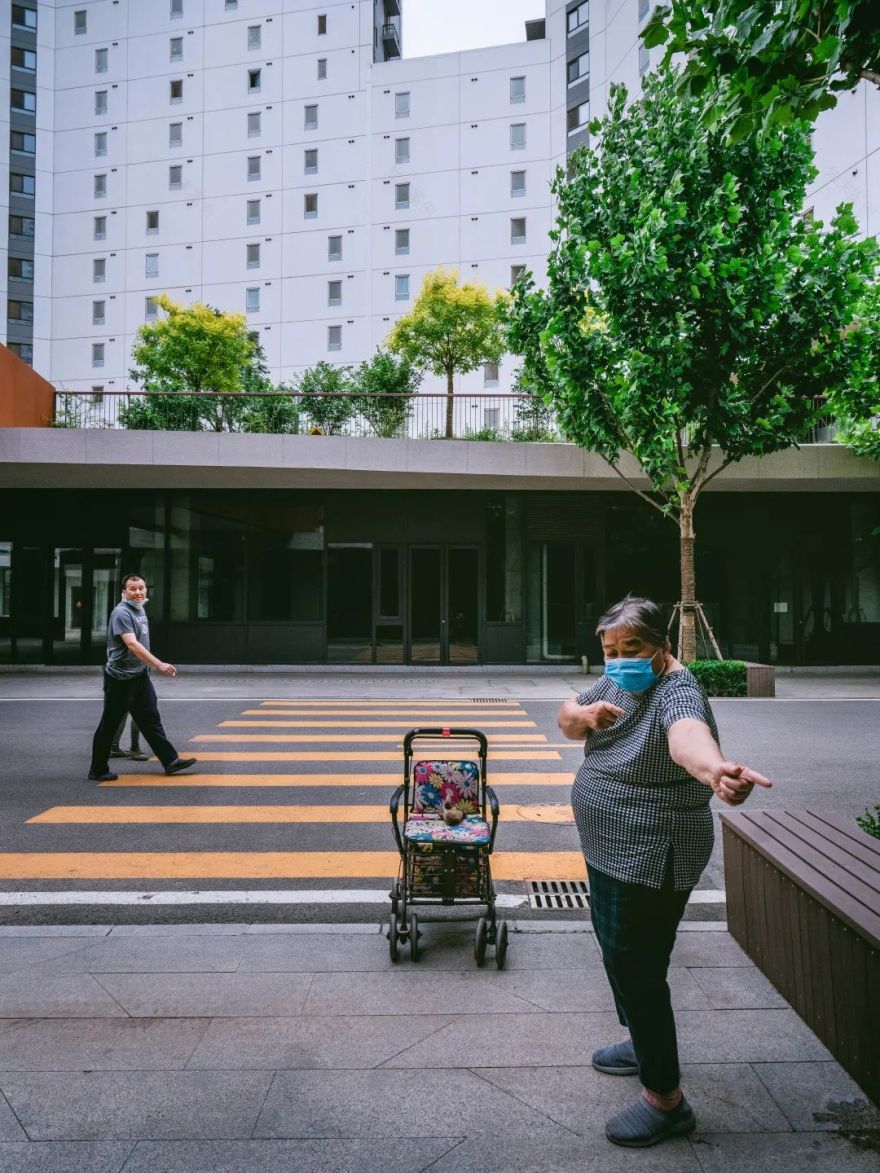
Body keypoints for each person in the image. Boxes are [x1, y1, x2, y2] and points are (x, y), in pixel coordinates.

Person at [557, 595, 772, 1149]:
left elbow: (688, 739)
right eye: (611, 650)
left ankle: (666, 1100)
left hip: (653, 850)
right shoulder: (615, 682)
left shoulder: (677, 691)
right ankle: (641, 1041)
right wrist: (582, 716)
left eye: (633, 648)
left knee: (637, 964)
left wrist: (715, 772)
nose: (621, 658)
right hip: (608, 844)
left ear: (663, 647)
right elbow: (567, 715)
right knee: (616, 949)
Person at [88, 574, 196, 782]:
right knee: (109, 724)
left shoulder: (139, 609)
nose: (138, 592)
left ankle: (170, 761)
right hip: (120, 679)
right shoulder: (121, 613)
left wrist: (146, 669)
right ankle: (97, 769)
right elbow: (132, 644)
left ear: (146, 589)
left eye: (141, 588)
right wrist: (158, 664)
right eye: (132, 589)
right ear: (124, 592)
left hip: (139, 677)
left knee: (150, 719)